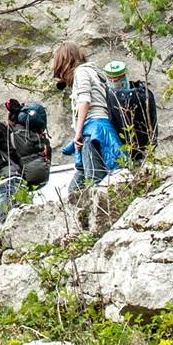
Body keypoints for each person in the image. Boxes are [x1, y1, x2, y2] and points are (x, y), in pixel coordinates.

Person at [52, 43, 123, 223]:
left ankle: (102, 224)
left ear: (65, 62)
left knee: (94, 181)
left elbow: (85, 100)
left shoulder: (81, 73)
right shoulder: (95, 73)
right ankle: (81, 227)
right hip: (100, 128)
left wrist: (79, 132)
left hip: (92, 132)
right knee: (76, 189)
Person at [103, 60, 159, 165]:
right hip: (123, 148)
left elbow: (151, 118)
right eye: (111, 79)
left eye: (116, 79)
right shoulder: (109, 94)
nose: (114, 81)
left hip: (142, 145)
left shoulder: (140, 93)